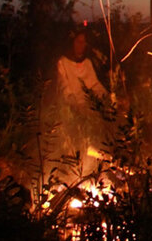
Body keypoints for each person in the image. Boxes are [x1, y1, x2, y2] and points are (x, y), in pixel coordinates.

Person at [47, 28, 110, 177]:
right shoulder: (63, 62)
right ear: (72, 43)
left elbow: (94, 85)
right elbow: (65, 90)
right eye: (79, 42)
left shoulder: (87, 62)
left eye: (84, 42)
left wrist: (108, 98)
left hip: (89, 107)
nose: (82, 45)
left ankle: (100, 163)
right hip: (73, 109)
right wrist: (77, 106)